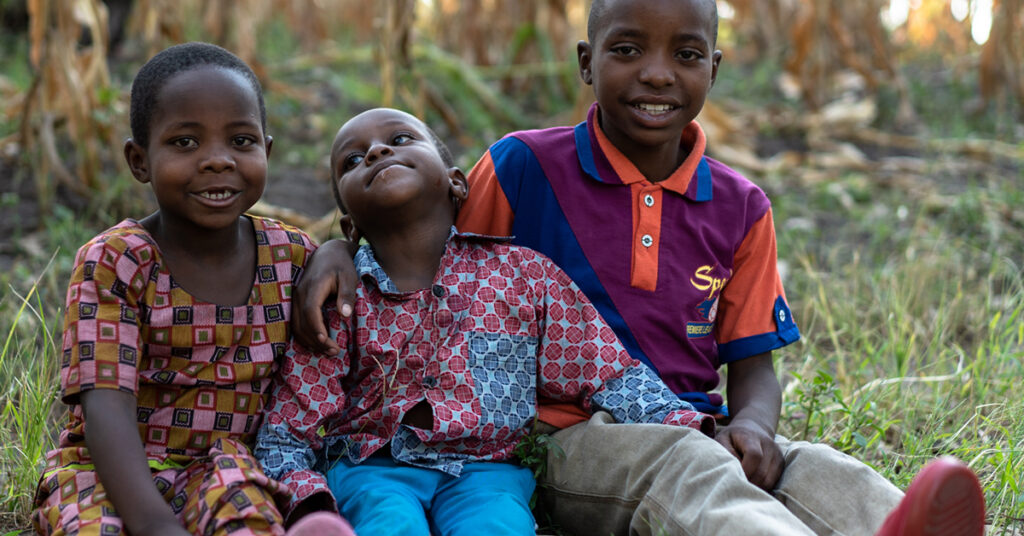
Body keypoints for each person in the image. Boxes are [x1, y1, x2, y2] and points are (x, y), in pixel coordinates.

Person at [293, 1, 987, 536]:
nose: (657, 73)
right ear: (587, 61)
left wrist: (752, 429)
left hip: (700, 419)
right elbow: (414, 239)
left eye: (685, 54)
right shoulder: (522, 167)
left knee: (813, 466)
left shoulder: (742, 207)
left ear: (714, 67)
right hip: (572, 435)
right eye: (628, 50)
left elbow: (753, 365)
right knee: (685, 470)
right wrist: (334, 250)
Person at [253, 107, 718, 536]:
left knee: (496, 526)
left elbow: (606, 372)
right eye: (352, 161)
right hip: (371, 465)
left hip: (487, 470)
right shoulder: (342, 299)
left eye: (399, 138)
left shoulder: (525, 276)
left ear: (457, 183)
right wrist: (307, 500)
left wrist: (682, 421)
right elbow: (290, 422)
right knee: (388, 522)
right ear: (350, 226)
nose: (376, 152)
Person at [32, 42, 352, 536]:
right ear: (139, 161)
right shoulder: (118, 261)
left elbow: (357, 269)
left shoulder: (288, 255)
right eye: (185, 143)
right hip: (109, 472)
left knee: (249, 520)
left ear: (266, 151)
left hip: (223, 470)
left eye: (241, 141)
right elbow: (105, 410)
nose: (217, 161)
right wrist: (156, 524)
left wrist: (336, 250)